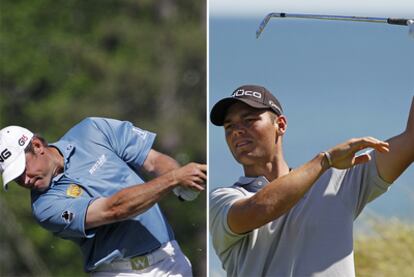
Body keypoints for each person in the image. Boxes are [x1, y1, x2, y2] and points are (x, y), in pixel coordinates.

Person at [209, 84, 414, 277]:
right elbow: (260, 208)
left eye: (249, 120)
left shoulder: (339, 179)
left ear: (280, 125)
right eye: (229, 126)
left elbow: (411, 140)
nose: (237, 130)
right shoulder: (223, 200)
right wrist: (325, 160)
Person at [0, 117, 207, 276]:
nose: (25, 181)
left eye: (23, 170)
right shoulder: (44, 208)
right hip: (118, 272)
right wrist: (174, 179)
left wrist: (183, 185)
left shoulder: (92, 130)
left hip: (170, 259)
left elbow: (153, 161)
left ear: (37, 146)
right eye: (16, 178)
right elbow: (114, 210)